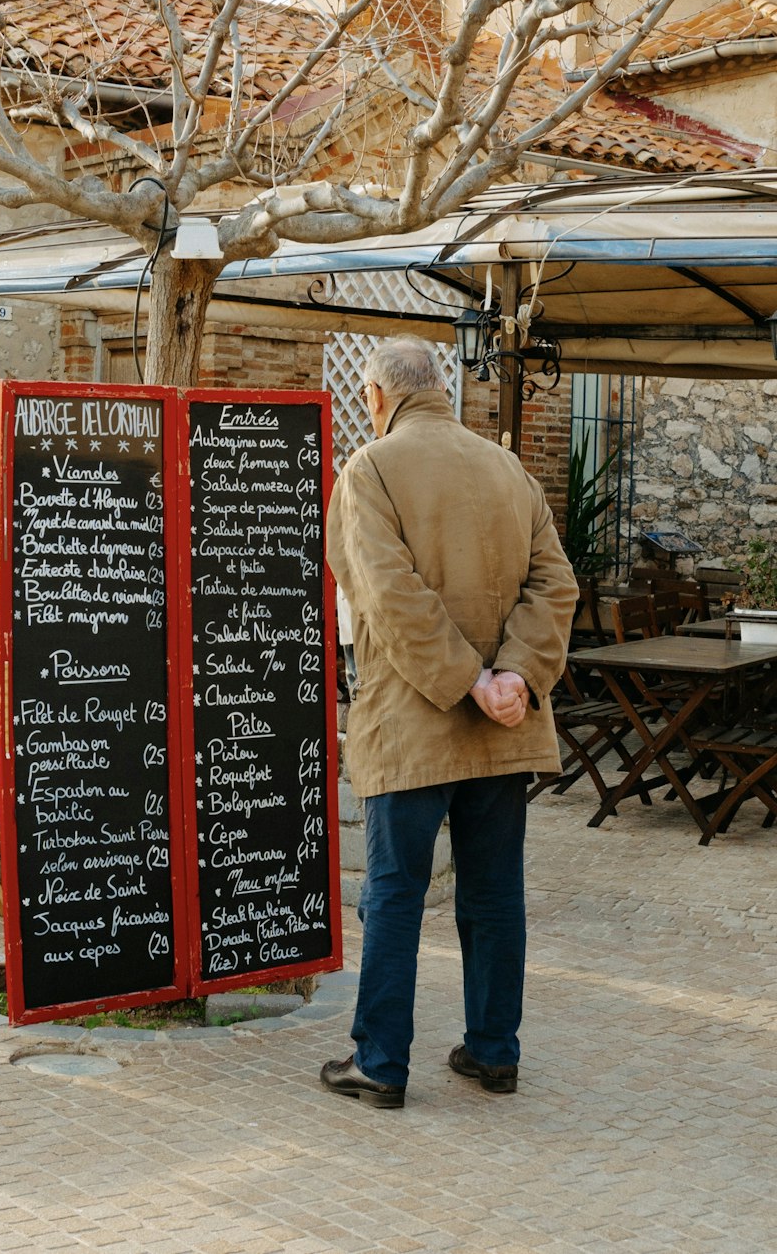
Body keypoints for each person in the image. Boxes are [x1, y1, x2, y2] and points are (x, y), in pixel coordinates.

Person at [320, 337, 577, 1109]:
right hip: (503, 725)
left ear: (374, 396)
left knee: (395, 892)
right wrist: (513, 679)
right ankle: (495, 1051)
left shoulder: (368, 471)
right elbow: (555, 584)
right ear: (440, 387)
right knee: (495, 892)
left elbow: (391, 599)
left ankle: (381, 1063)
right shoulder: (509, 467)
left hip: (413, 724)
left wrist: (470, 679)